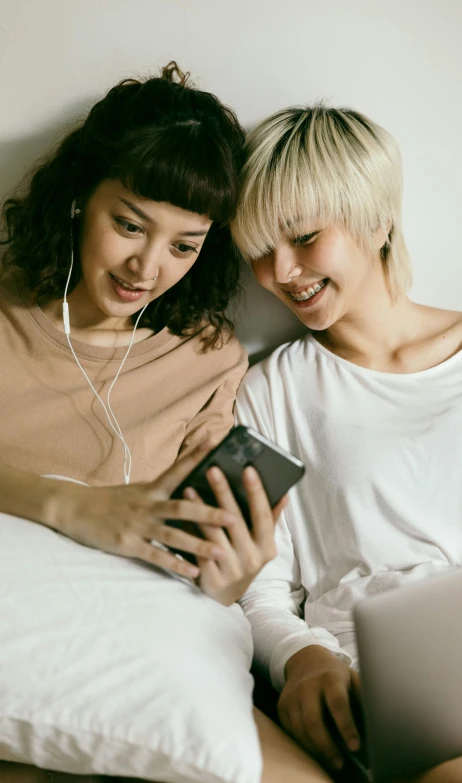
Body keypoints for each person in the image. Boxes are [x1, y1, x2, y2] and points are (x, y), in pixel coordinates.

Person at [0, 65, 335, 783]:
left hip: (133, 659)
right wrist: (73, 506)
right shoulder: (6, 316)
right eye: (129, 224)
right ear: (77, 198)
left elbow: (204, 574)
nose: (147, 267)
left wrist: (230, 571)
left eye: (184, 246)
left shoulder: (206, 360)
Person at [232, 104, 462, 782]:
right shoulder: (269, 391)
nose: (280, 272)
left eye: (304, 236)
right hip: (378, 695)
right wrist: (301, 658)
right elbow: (261, 589)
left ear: (377, 218)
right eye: (258, 251)